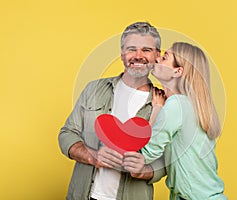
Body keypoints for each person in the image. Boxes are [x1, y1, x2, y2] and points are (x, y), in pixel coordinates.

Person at [58, 22, 166, 200]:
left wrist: (143, 171)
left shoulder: (164, 103)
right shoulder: (93, 89)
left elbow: (167, 160)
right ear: (122, 54)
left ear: (157, 55)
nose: (138, 56)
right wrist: (93, 156)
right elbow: (67, 134)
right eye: (132, 49)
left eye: (146, 50)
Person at [124, 42, 227, 200]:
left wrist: (157, 110)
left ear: (178, 71)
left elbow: (146, 153)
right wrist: (159, 109)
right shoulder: (189, 105)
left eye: (165, 57)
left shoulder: (177, 105)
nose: (157, 59)